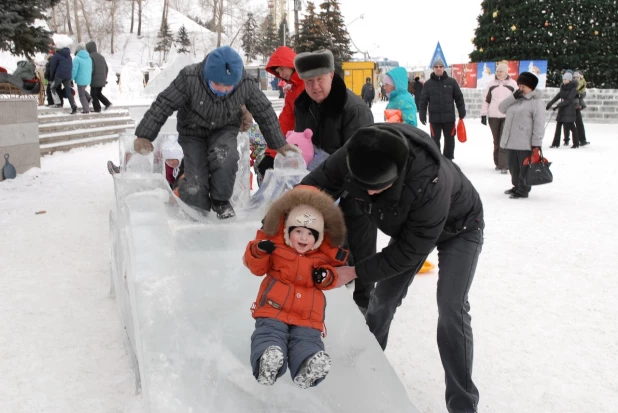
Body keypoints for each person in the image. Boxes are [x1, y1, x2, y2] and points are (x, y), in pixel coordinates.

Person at [300, 122, 484, 413]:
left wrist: (354, 271)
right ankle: (366, 369)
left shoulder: (429, 183)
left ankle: (463, 405)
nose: (370, 195)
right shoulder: (358, 151)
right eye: (364, 187)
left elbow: (407, 253)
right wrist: (285, 220)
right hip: (411, 229)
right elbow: (314, 186)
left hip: (460, 227)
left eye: (378, 188)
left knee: (451, 308)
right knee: (382, 301)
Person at [133, 46, 297, 219]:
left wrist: (278, 142)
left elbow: (263, 110)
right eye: (218, 84)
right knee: (195, 180)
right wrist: (145, 134)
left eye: (229, 86)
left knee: (226, 157)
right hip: (192, 131)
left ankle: (221, 201)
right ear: (207, 75)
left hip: (224, 127)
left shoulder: (245, 83)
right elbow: (164, 104)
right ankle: (197, 207)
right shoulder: (189, 77)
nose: (224, 90)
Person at [292, 48, 376, 312]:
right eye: (308, 81)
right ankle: (330, 298)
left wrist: (327, 190)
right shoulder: (303, 105)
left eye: (320, 79)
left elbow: (358, 159)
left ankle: (365, 302)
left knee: (362, 246)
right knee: (331, 243)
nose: (314, 87)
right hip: (324, 184)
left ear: (332, 75)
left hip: (358, 188)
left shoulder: (354, 110)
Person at [244, 185, 348, 389]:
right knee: (269, 333)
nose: (303, 238)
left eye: (310, 234)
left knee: (308, 340)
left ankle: (308, 366)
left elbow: (332, 278)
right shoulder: (276, 249)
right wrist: (258, 251)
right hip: (274, 307)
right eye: (298, 231)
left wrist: (325, 276)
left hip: (308, 315)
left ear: (318, 238)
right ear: (286, 231)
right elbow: (257, 268)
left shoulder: (322, 257)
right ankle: (268, 360)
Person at [255, 46, 306, 177]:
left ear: (291, 63)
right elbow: (285, 122)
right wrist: (271, 153)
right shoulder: (292, 91)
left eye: (282, 69)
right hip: (301, 144)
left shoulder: (307, 84)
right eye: (278, 71)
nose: (281, 74)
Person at [498, 71, 545, 199]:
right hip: (511, 140)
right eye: (519, 85)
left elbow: (539, 125)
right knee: (513, 167)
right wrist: (513, 97)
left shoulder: (537, 103)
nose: (520, 88)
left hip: (525, 142)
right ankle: (516, 186)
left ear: (531, 87)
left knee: (524, 168)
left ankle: (523, 189)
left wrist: (536, 143)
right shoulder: (516, 99)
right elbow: (501, 108)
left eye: (523, 86)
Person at [418, 57, 466, 160]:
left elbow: (459, 97)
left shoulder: (452, 82)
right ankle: (437, 159)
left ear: (444, 68)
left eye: (440, 67)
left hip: (449, 118)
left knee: (449, 140)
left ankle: (448, 159)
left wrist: (462, 111)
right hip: (434, 119)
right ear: (433, 68)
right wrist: (422, 114)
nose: (438, 69)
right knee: (435, 140)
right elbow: (423, 101)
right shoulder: (428, 84)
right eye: (436, 67)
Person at [480, 63, 518, 173]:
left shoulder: (512, 84)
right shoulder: (491, 84)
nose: (498, 73)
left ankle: (504, 165)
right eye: (497, 71)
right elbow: (486, 100)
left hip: (506, 116)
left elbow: (517, 99)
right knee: (496, 141)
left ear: (506, 72)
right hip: (493, 116)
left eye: (501, 71)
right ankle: (497, 163)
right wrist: (483, 114)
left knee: (503, 140)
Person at [547, 72, 579, 148]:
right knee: (558, 126)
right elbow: (558, 96)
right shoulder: (563, 87)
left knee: (571, 127)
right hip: (562, 110)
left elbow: (568, 100)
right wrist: (550, 104)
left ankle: (576, 143)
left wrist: (557, 106)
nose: (564, 81)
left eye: (566, 79)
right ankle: (555, 143)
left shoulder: (573, 89)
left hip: (569, 110)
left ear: (570, 80)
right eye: (563, 79)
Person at [49, 45, 78, 114]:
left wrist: (51, 77)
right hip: (67, 76)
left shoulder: (56, 55)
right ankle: (73, 105)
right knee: (68, 91)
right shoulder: (69, 56)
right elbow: (71, 67)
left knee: (52, 87)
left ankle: (58, 103)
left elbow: (52, 67)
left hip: (59, 75)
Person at [86, 41, 113, 112]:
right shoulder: (101, 57)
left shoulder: (90, 57)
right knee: (98, 93)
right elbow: (106, 68)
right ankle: (107, 103)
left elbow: (91, 68)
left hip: (95, 79)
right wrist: (104, 77)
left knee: (93, 95)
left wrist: (89, 77)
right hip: (102, 79)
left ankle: (97, 108)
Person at [72, 43, 93, 114]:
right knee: (82, 91)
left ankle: (86, 109)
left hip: (80, 79)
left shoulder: (77, 59)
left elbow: (74, 70)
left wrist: (71, 78)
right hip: (87, 79)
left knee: (81, 95)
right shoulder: (89, 58)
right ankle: (89, 98)